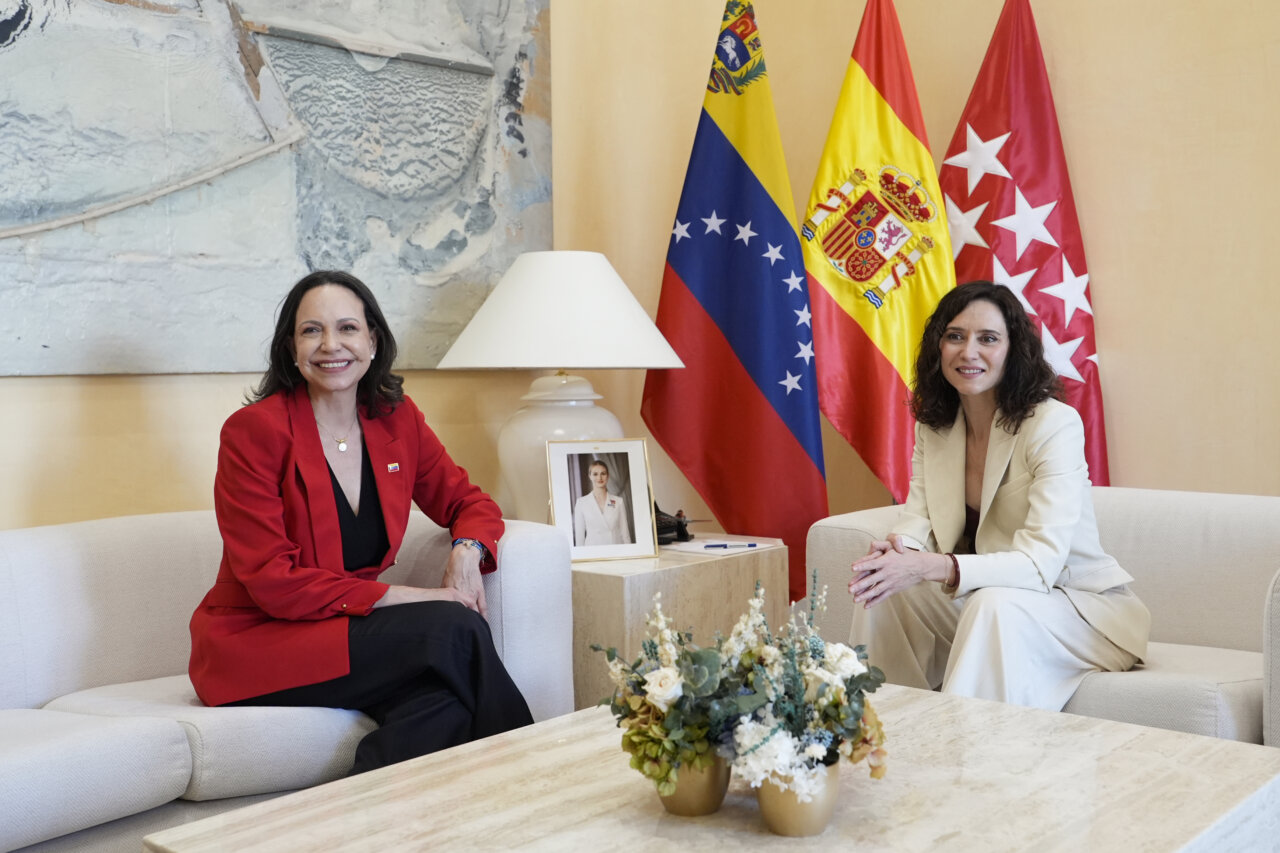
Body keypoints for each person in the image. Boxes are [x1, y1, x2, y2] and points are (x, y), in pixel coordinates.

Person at [188, 270, 533, 774]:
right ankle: (536, 778)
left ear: (372, 340)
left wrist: (467, 551)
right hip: (257, 641)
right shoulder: (253, 432)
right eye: (312, 331)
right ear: (291, 347)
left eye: (347, 328)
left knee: (443, 706)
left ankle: (357, 820)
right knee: (453, 627)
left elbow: (470, 502)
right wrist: (418, 597)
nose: (331, 345)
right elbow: (273, 584)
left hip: (343, 631)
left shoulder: (397, 420)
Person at [847, 281, 1149, 711]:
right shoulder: (935, 425)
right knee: (881, 587)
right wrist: (900, 553)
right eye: (955, 336)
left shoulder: (1053, 424)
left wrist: (932, 565)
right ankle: (881, 734)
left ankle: (967, 762)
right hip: (991, 604)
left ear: (1014, 351)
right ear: (938, 347)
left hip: (1079, 610)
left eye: (988, 338)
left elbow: (1041, 561)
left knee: (993, 602)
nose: (969, 351)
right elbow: (920, 516)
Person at [572, 459, 631, 546]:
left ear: (608, 476)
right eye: (595, 474)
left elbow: (625, 534)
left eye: (603, 473)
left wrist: (629, 554)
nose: (599, 478)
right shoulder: (581, 503)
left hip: (616, 551)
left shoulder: (618, 501)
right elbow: (580, 538)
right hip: (593, 553)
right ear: (590, 476)